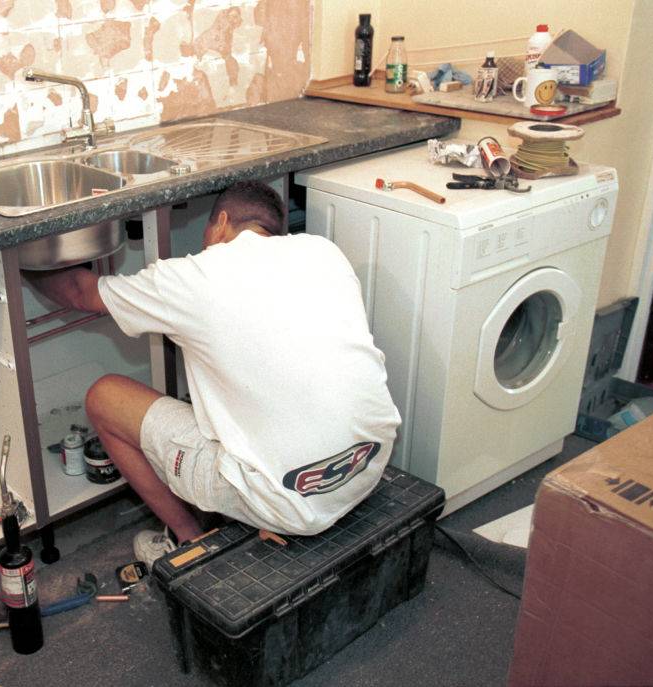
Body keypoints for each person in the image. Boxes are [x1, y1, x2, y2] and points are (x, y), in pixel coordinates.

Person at [23, 181, 400, 567]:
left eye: (205, 234)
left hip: (289, 505)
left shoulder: (195, 276)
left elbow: (77, 291)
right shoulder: (323, 252)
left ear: (220, 223)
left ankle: (190, 542)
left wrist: (18, 255)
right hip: (367, 466)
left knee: (104, 398)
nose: (202, 245)